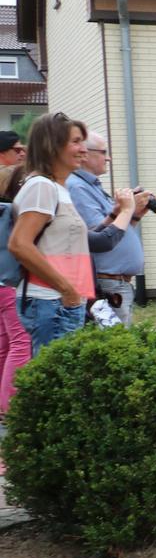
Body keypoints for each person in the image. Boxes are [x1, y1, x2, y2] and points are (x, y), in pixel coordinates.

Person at [8, 113, 105, 354]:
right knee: (55, 383)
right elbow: (19, 244)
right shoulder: (42, 186)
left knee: (63, 382)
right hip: (50, 300)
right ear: (52, 146)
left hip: (61, 300)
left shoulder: (57, 188)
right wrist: (66, 289)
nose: (84, 149)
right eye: (75, 142)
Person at [67, 133, 151, 326]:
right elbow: (101, 237)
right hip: (108, 281)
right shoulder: (78, 188)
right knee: (116, 345)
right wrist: (127, 209)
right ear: (85, 154)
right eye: (104, 152)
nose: (109, 158)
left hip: (117, 282)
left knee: (118, 342)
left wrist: (135, 214)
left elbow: (116, 232)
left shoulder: (92, 187)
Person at [0, 165, 35, 412]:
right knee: (22, 341)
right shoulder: (11, 214)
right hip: (11, 283)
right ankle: (10, 405)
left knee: (4, 344)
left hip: (1, 285)